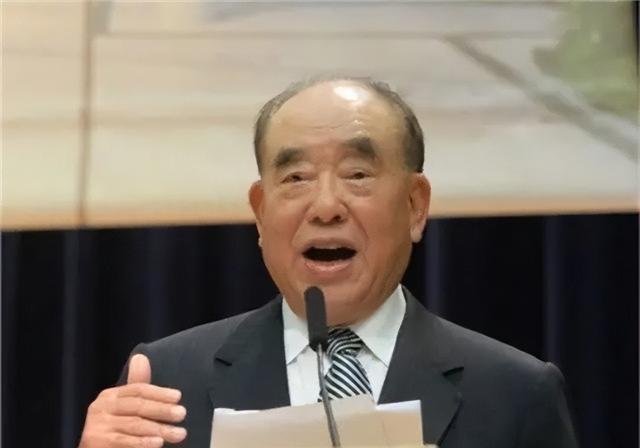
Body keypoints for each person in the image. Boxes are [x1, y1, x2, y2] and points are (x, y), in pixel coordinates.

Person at [78, 76, 578, 448]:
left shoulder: (514, 395)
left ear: (415, 206)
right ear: (260, 211)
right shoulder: (167, 383)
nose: (325, 206)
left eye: (357, 174)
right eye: (295, 178)